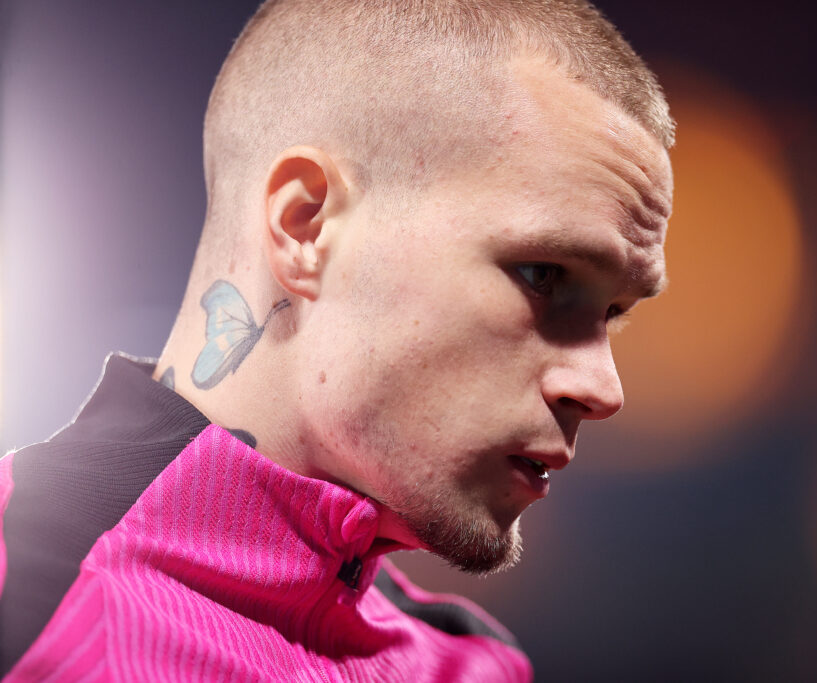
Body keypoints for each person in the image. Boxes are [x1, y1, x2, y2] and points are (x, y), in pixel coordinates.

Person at [0, 0, 673, 679]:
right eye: (543, 274)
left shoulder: (479, 662)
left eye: (613, 311)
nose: (604, 390)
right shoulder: (24, 598)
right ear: (306, 225)